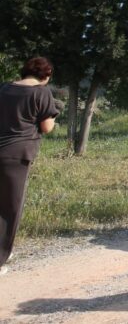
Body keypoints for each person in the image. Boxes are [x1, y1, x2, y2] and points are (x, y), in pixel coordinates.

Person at [1, 57, 60, 272]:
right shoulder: (41, 92)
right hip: (17, 155)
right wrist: (55, 113)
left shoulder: (4, 87)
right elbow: (46, 127)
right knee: (10, 208)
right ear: (46, 75)